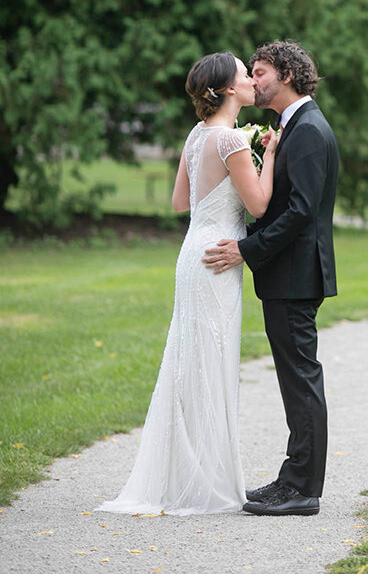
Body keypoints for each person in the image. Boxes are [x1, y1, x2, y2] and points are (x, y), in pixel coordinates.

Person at [99, 52, 276, 515]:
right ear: (230, 89)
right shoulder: (232, 141)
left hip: (192, 253)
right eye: (244, 74)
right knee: (210, 363)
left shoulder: (198, 135)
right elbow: (257, 205)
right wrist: (269, 156)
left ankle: (184, 475)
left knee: (188, 361)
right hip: (218, 260)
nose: (251, 80)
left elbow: (182, 200)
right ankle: (203, 482)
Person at [203, 39, 338, 518]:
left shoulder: (308, 130)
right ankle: (292, 479)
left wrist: (245, 248)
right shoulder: (293, 127)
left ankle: (302, 489)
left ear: (285, 73)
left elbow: (301, 212)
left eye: (259, 72)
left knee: (301, 380)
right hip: (289, 275)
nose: (254, 80)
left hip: (296, 276)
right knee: (295, 379)